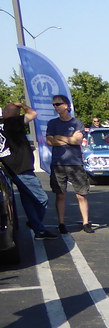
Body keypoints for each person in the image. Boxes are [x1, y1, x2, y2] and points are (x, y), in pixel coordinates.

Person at [0, 102, 55, 239]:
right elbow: (33, 114)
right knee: (41, 199)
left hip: (8, 168)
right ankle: (35, 223)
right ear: (14, 114)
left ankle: (39, 230)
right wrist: (23, 105)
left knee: (28, 200)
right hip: (22, 168)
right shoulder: (13, 122)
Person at [45, 94, 91, 233]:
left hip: (75, 163)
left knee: (81, 194)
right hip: (58, 163)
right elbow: (49, 141)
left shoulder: (77, 123)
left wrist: (60, 138)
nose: (55, 107)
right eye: (53, 105)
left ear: (66, 105)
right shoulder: (52, 123)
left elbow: (77, 141)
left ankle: (85, 222)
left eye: (57, 104)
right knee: (60, 194)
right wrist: (68, 139)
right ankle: (61, 223)